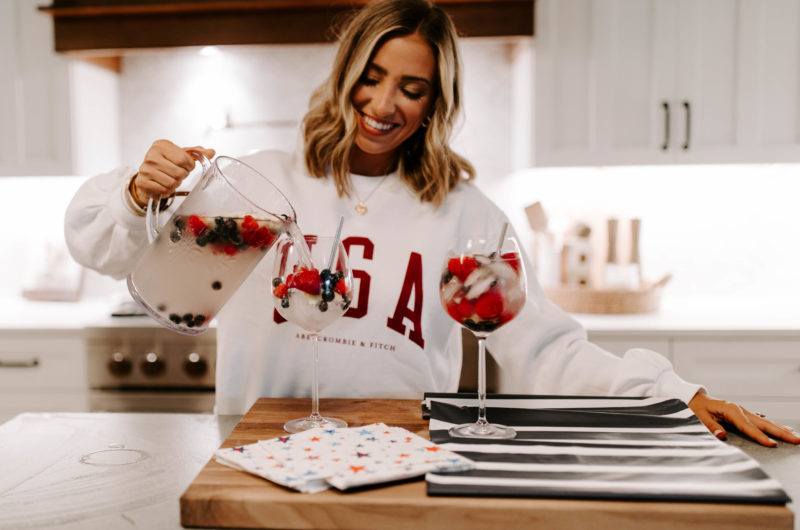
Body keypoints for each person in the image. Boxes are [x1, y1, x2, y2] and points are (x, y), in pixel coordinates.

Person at [65, 0, 798, 448]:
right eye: (373, 77)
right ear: (346, 73)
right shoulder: (262, 185)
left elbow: (541, 346)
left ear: (434, 102)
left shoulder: (466, 216)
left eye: (412, 89)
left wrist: (672, 394)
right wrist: (135, 192)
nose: (384, 105)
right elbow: (117, 258)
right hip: (260, 456)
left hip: (404, 463)